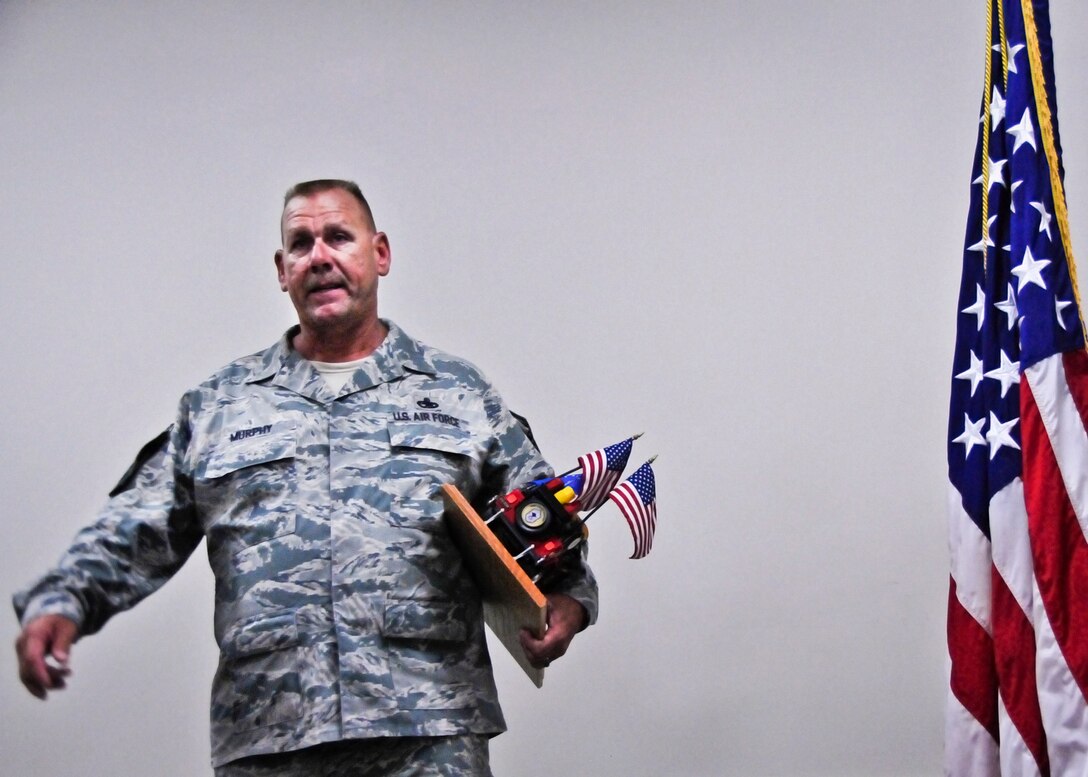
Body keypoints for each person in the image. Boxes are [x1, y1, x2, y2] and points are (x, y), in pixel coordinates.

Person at [13, 179, 598, 776]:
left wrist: (567, 600)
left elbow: (544, 516)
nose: (320, 256)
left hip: (428, 732)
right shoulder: (218, 407)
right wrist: (64, 601)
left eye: (339, 237)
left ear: (380, 254)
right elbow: (140, 523)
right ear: (281, 269)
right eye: (301, 243)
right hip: (271, 732)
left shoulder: (459, 394)